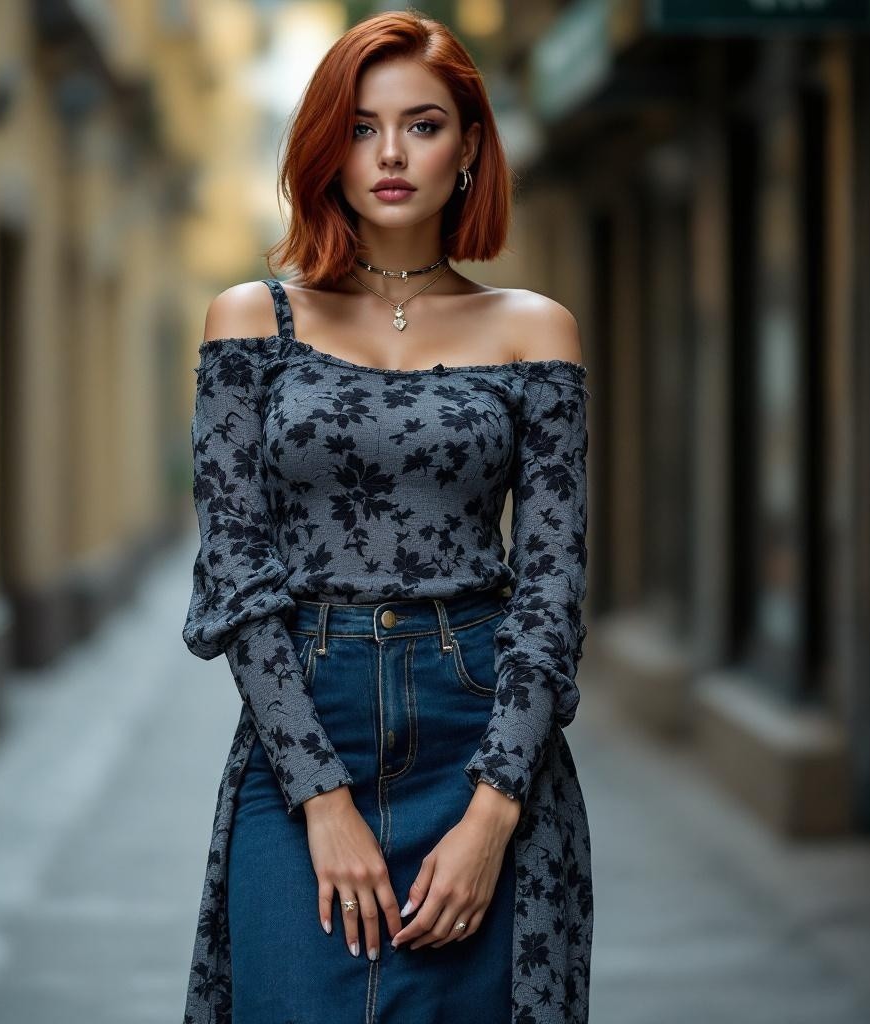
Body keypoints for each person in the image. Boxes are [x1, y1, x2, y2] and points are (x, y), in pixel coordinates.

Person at [180, 10, 592, 1024]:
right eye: (362, 127)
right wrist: (320, 800)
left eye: (423, 124)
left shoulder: (534, 330)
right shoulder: (251, 319)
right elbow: (235, 571)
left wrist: (492, 814)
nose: (392, 153)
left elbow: (551, 587)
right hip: (301, 731)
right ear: (326, 146)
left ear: (469, 147)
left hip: (482, 727)